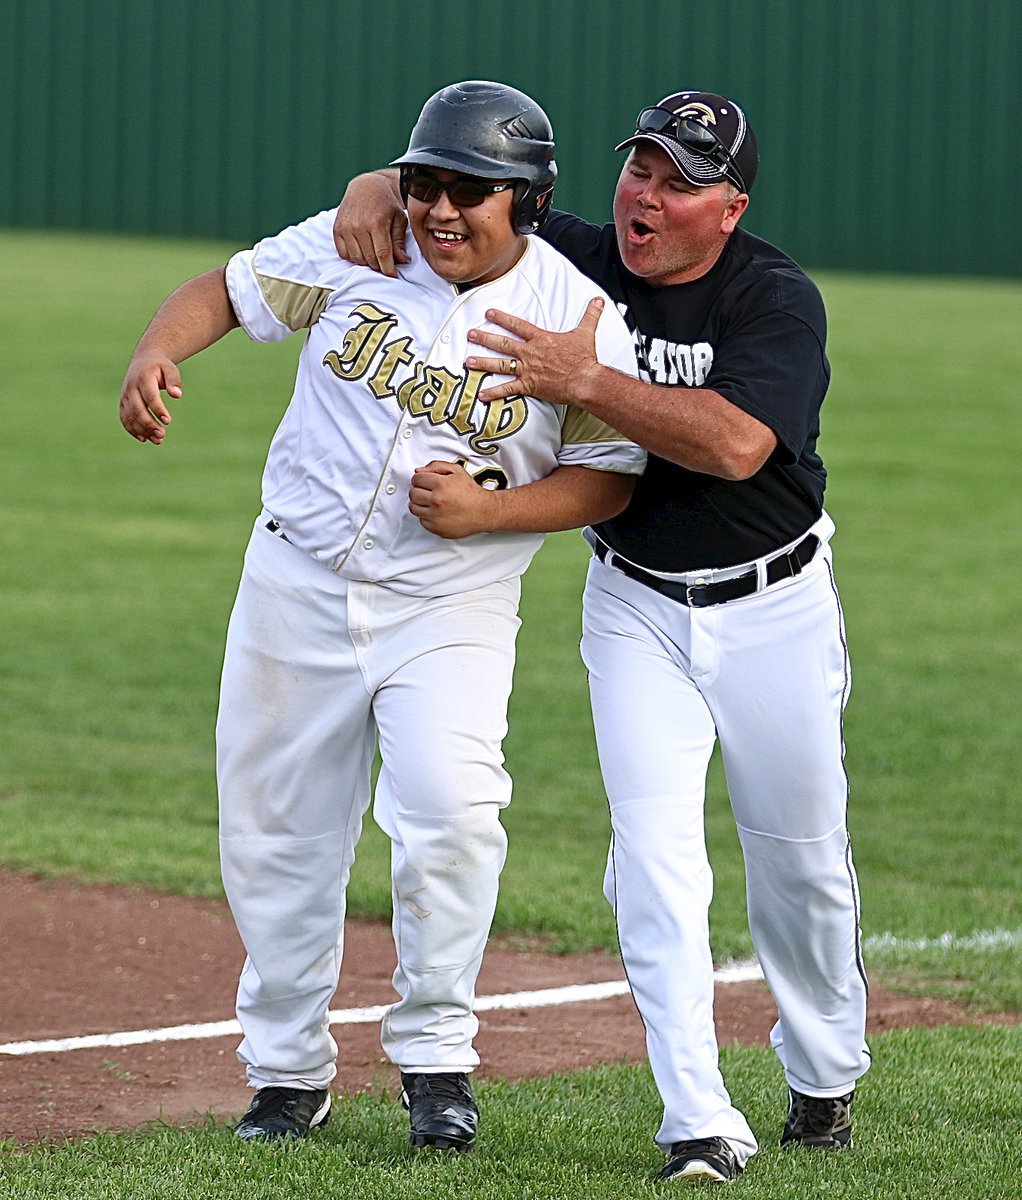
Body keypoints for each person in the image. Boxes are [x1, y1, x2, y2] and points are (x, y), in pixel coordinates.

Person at [332, 89, 870, 1182]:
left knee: (798, 863)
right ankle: (697, 1120)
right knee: (653, 864)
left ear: (729, 207)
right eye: (639, 168)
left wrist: (588, 382)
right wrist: (372, 185)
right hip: (633, 606)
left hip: (772, 605)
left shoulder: (772, 297)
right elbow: (448, 197)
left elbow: (731, 447)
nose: (647, 196)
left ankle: (823, 1070)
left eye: (680, 181)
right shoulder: (576, 254)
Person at [118, 80, 645, 1152]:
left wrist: (493, 511)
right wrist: (154, 352)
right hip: (294, 581)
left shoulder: (579, 316)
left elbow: (609, 474)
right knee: (274, 834)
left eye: (473, 191)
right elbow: (224, 291)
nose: (442, 210)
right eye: (425, 184)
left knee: (451, 814)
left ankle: (437, 1061)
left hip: (448, 605)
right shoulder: (360, 245)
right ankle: (285, 1073)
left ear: (529, 202)